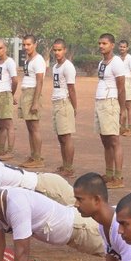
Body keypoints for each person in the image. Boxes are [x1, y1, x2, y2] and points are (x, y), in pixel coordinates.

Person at [95, 33, 128, 188]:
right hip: (100, 102)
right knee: (105, 140)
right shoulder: (102, 63)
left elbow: (121, 88)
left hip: (111, 102)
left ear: (112, 45)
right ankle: (109, 173)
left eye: (104, 43)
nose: (101, 46)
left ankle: (118, 177)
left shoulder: (117, 63)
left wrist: (122, 109)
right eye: (100, 43)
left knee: (114, 140)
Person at [49, 39, 78, 178]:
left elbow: (71, 88)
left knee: (66, 137)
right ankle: (65, 164)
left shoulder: (68, 67)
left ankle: (69, 168)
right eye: (55, 50)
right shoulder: (55, 67)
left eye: (59, 50)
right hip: (56, 102)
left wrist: (74, 107)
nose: (57, 52)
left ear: (65, 50)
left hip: (64, 102)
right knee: (60, 137)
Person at [16, 35, 47, 169]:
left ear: (35, 45)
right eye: (24, 45)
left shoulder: (38, 60)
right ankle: (33, 155)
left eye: (29, 44)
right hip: (26, 93)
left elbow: (40, 81)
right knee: (30, 128)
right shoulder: (28, 59)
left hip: (33, 93)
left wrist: (35, 102)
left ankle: (38, 158)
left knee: (34, 127)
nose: (26, 47)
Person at [0, 39, 18, 159]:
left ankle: (10, 151)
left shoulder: (10, 62)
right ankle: (1, 149)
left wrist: (11, 94)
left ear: (5, 48)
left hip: (6, 94)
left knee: (8, 124)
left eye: (0, 48)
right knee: (0, 125)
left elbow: (15, 80)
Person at [118, 39, 131, 135]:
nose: (122, 48)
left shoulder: (130, 58)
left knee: (128, 105)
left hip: (127, 81)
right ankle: (122, 127)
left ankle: (130, 128)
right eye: (121, 46)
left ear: (127, 48)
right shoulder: (117, 58)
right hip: (119, 82)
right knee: (120, 105)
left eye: (124, 47)